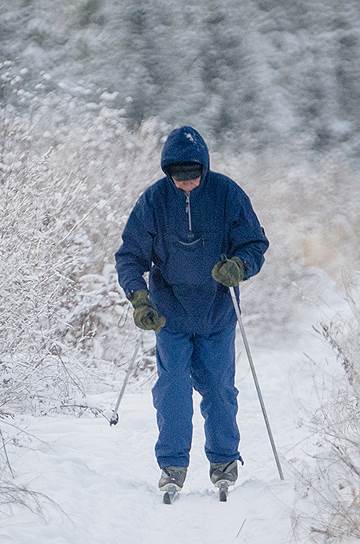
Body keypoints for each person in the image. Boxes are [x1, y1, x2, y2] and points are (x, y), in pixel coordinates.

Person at [114, 125, 269, 494]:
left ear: (204, 169)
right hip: (170, 313)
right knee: (172, 388)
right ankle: (172, 465)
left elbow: (254, 243)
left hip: (217, 309)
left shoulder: (227, 193)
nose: (187, 185)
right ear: (169, 173)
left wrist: (239, 266)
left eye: (193, 177)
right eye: (179, 179)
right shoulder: (153, 201)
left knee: (218, 387)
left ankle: (224, 461)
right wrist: (139, 297)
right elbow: (130, 255)